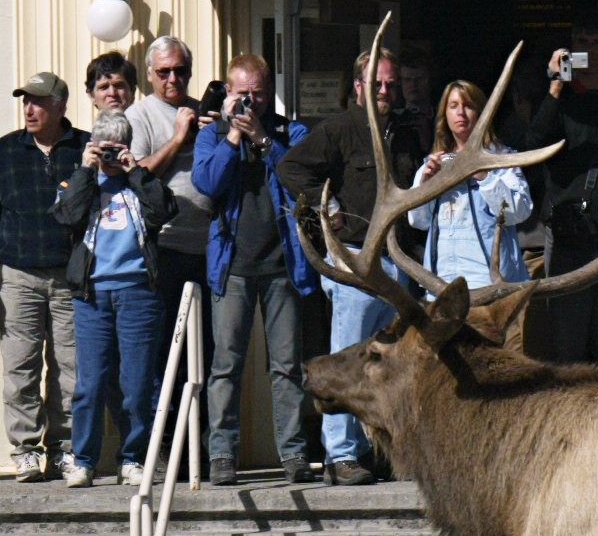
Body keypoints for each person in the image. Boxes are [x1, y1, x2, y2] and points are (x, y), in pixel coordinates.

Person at [280, 46, 426, 484]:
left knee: (386, 363)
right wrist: (331, 207)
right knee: (349, 359)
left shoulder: (405, 132)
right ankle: (340, 454)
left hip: (396, 264)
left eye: (390, 84)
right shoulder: (340, 129)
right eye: (375, 84)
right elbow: (290, 168)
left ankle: (372, 452)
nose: (384, 91)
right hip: (354, 263)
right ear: (358, 87)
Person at [189, 53, 315, 485]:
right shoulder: (212, 135)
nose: (251, 103)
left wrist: (263, 140)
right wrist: (230, 141)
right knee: (225, 365)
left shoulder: (289, 131)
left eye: (259, 94)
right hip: (233, 267)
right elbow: (206, 184)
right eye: (243, 94)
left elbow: (299, 180)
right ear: (228, 92)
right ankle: (222, 455)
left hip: (283, 267)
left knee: (287, 366)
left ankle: (295, 454)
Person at [0, 70, 88, 482]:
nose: (29, 109)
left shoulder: (84, 147)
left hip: (71, 275)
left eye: (38, 101)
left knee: (71, 367)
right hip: (16, 275)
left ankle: (65, 449)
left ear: (60, 106)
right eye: (25, 101)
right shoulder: (5, 152)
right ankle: (26, 449)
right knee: (21, 366)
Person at [53, 108, 173, 487]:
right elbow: (66, 218)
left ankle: (132, 458)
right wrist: (85, 170)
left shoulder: (140, 182)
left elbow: (164, 210)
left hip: (138, 292)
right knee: (89, 383)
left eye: (115, 148)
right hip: (93, 295)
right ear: (91, 147)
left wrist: (134, 169)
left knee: (137, 384)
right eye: (103, 148)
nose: (109, 156)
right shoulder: (81, 183)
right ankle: (83, 460)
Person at [526, 17, 598, 364]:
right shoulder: (556, 101)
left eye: (597, 41)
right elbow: (531, 148)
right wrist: (555, 86)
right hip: (566, 238)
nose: (589, 49)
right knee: (566, 347)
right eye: (582, 41)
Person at [128, 37, 208, 376]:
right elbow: (136, 175)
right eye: (164, 72)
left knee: (203, 352)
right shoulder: (140, 114)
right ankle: (165, 428)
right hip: (164, 248)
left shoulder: (204, 110)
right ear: (150, 74)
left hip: (209, 248)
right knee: (164, 351)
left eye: (180, 71)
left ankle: (200, 429)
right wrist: (177, 139)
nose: (172, 79)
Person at [410, 80, 533, 286]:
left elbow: (519, 212)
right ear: (444, 114)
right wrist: (425, 186)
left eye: (468, 106)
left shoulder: (502, 159)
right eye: (453, 106)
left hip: (487, 282)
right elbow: (417, 222)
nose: (461, 113)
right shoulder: (432, 164)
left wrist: (484, 175)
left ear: (482, 113)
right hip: (442, 282)